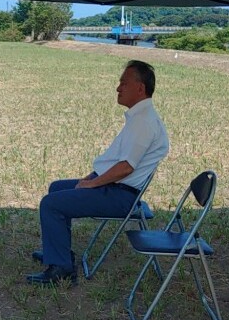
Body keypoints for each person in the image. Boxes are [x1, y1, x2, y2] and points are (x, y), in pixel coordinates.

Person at [26, 60, 170, 285]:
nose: (118, 88)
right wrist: (91, 177)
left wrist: (93, 184)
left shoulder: (143, 123)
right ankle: (59, 253)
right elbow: (118, 162)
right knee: (57, 188)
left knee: (51, 204)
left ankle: (61, 268)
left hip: (120, 195)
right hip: (115, 187)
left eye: (123, 83)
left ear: (140, 88)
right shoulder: (140, 118)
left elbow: (126, 167)